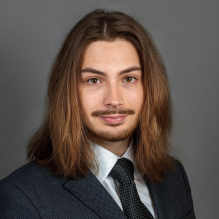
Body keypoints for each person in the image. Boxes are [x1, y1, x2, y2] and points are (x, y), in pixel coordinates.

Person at [0, 9, 195, 219]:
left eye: (129, 78)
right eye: (94, 80)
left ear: (150, 88)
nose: (114, 100)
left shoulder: (174, 177)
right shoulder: (22, 197)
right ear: (69, 92)